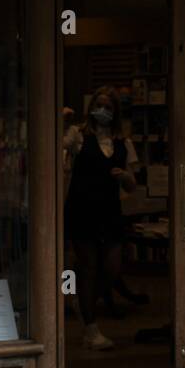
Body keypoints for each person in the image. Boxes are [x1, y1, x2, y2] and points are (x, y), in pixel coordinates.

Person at [62, 87, 138, 350]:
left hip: (110, 211)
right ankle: (91, 329)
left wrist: (125, 177)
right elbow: (55, 148)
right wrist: (64, 121)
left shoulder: (123, 142)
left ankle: (83, 304)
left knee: (112, 268)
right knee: (89, 267)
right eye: (99, 105)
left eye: (108, 107)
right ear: (91, 107)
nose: (103, 111)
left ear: (115, 112)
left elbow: (132, 185)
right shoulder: (78, 136)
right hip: (82, 209)